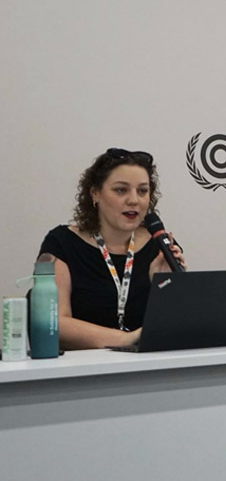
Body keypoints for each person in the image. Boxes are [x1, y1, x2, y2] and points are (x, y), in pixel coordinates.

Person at [37, 148, 186, 350]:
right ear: (95, 194)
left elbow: (182, 326)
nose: (134, 200)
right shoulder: (62, 243)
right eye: (121, 190)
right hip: (82, 372)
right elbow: (53, 324)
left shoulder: (160, 245)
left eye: (142, 191)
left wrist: (164, 286)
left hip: (150, 369)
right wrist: (126, 339)